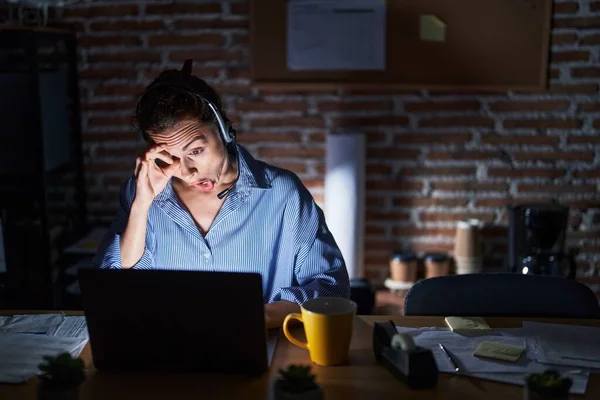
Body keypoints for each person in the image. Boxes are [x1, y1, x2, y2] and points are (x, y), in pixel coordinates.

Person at [92, 60, 350, 328]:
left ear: (224, 129)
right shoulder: (140, 194)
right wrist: (141, 205)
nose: (188, 171)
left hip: (265, 348)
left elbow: (331, 287)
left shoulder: (283, 194)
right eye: (171, 157)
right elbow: (111, 289)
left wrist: (261, 318)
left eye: (196, 151)